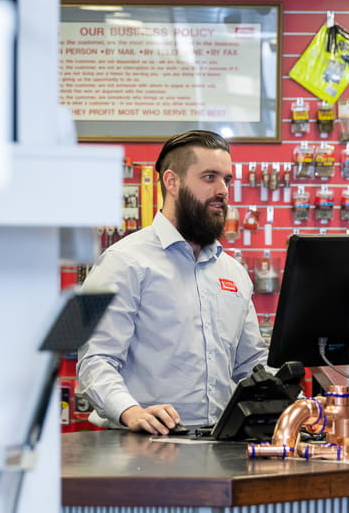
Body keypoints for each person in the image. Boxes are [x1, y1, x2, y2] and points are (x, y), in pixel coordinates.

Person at [77, 130, 268, 435]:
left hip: (219, 443)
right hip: (143, 446)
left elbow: (252, 364)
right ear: (172, 182)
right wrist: (131, 411)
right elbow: (94, 360)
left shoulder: (234, 273)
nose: (222, 190)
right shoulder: (120, 261)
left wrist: (297, 402)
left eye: (227, 180)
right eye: (209, 177)